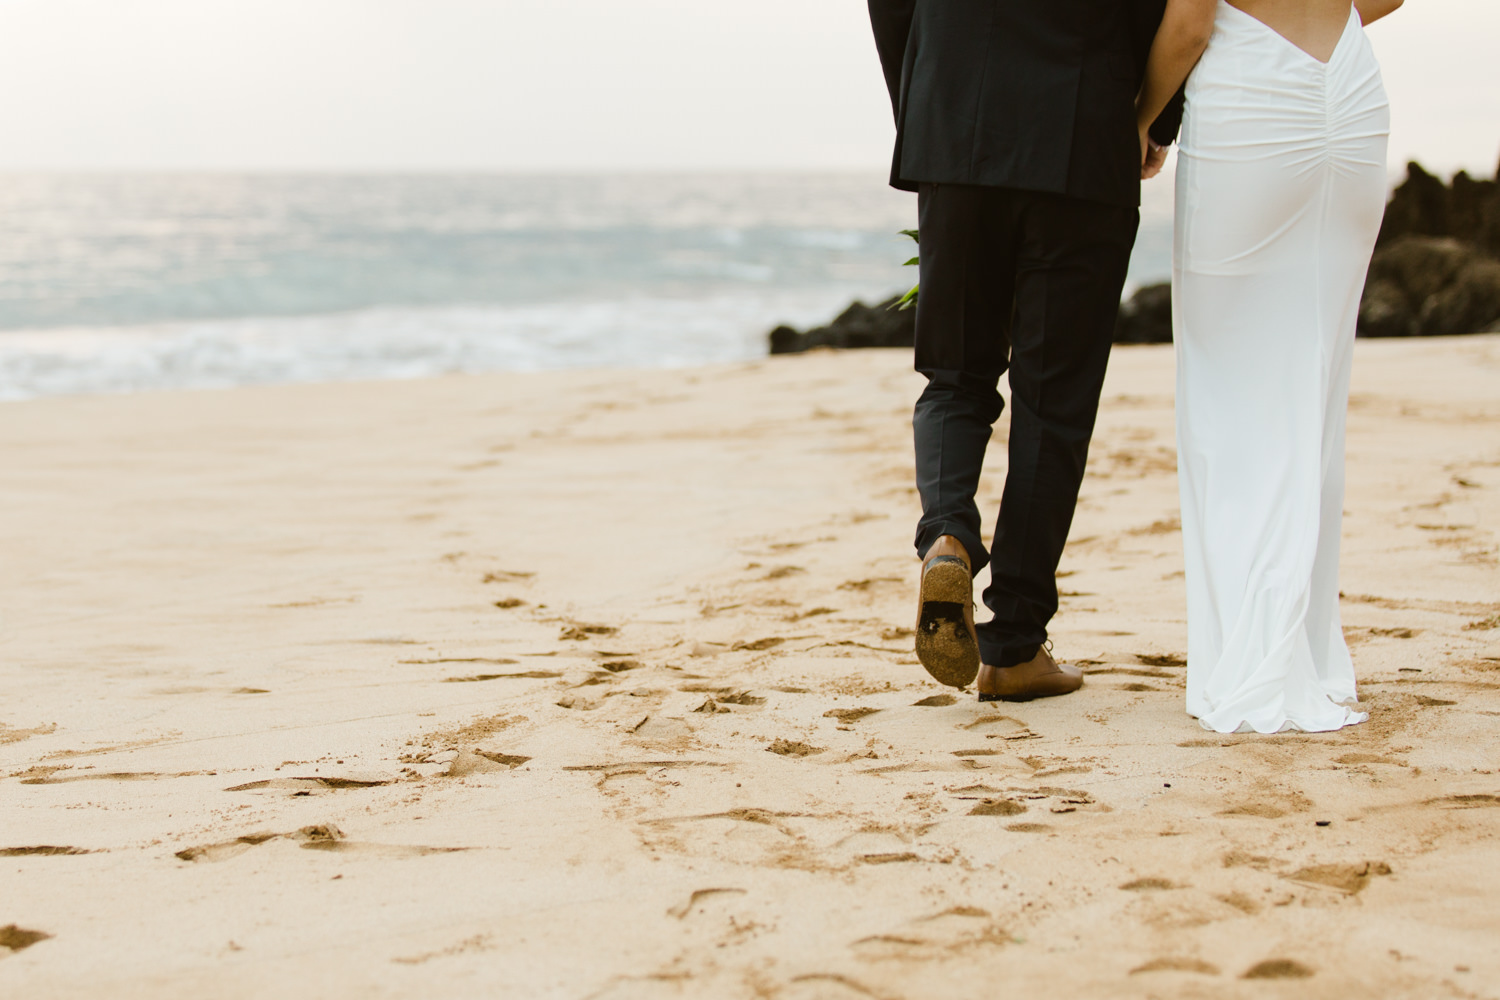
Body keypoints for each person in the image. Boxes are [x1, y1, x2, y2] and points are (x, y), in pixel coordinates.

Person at [867, 1, 1184, 701]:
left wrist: (926, 104)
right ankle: (1012, 645)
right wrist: (1153, 122)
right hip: (1084, 133)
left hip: (955, 129)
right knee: (1053, 406)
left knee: (954, 376)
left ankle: (946, 533)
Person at [1136, 0, 1403, 733]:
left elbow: (1191, 21)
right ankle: (1305, 649)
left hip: (1252, 90)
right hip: (1347, 87)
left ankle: (1255, 655)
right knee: (1315, 380)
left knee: (1229, 393)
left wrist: (1141, 118)